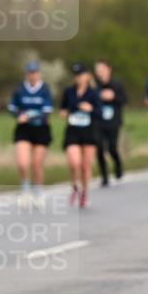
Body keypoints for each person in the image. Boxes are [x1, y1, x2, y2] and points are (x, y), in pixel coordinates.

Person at [8, 61, 53, 197]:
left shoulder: (45, 89)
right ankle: (25, 186)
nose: (32, 76)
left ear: (39, 74)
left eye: (35, 73)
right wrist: (18, 116)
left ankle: (38, 189)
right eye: (30, 73)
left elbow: (47, 111)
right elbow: (12, 107)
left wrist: (30, 117)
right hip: (23, 130)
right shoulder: (19, 89)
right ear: (26, 74)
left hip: (41, 130)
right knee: (22, 163)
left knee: (36, 164)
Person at [60, 62, 99, 208]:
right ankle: (74, 185)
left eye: (81, 75)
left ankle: (84, 193)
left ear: (87, 76)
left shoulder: (93, 93)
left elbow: (100, 113)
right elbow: (63, 108)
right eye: (76, 75)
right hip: (73, 131)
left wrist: (90, 109)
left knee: (85, 166)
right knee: (74, 162)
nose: (78, 78)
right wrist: (63, 112)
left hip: (89, 132)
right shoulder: (69, 92)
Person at [93, 59, 127, 187]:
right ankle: (104, 176)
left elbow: (124, 100)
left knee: (112, 147)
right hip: (98, 122)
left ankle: (118, 165)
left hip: (113, 122)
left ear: (109, 69)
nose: (100, 73)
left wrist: (113, 97)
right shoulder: (94, 86)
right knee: (100, 148)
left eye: (102, 70)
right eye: (97, 71)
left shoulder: (116, 84)